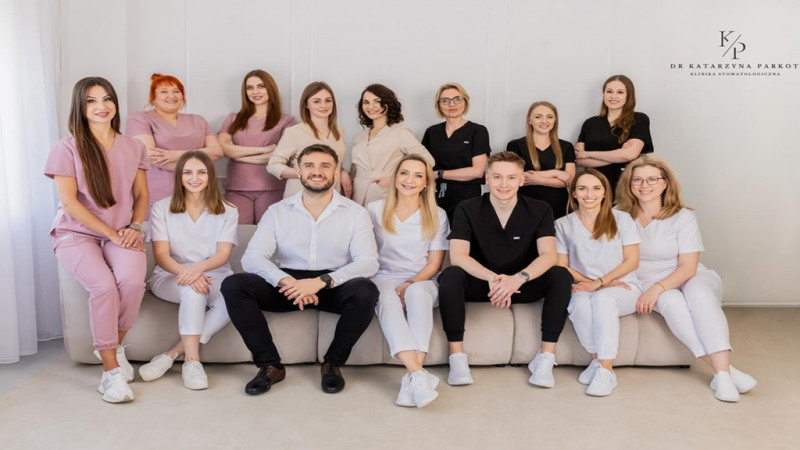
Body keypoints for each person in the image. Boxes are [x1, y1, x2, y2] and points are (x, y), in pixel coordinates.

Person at [221, 144, 379, 395]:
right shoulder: (277, 211)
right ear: (298, 171)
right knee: (234, 285)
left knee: (365, 290)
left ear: (336, 171)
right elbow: (253, 257)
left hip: (331, 285)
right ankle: (270, 365)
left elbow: (368, 261)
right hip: (287, 284)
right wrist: (288, 282)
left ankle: (332, 364)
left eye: (325, 166)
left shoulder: (355, 213)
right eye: (309, 165)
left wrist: (320, 282)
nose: (317, 171)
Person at [616, 155, 756, 402]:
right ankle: (724, 372)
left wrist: (658, 288)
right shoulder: (618, 215)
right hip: (645, 281)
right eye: (637, 180)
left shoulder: (682, 216)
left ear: (665, 183)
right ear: (629, 184)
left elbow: (688, 266)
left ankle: (723, 375)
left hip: (688, 275)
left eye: (652, 179)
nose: (644, 185)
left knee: (700, 296)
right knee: (672, 303)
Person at [45, 77, 149, 403]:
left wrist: (135, 226)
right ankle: (110, 373)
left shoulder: (133, 147)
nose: (101, 106)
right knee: (104, 287)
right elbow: (70, 202)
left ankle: (114, 347)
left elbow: (142, 195)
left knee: (132, 283)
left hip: (122, 232)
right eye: (91, 101)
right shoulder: (66, 148)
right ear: (80, 107)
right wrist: (112, 233)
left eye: (107, 99)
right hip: (75, 233)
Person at [438, 151, 572, 387]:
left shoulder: (540, 209)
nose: (504, 184)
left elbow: (549, 255)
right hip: (483, 284)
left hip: (522, 284)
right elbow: (458, 256)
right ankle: (457, 356)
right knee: (450, 275)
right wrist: (493, 278)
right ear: (487, 179)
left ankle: (546, 357)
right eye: (497, 177)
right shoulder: (467, 208)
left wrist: (518, 279)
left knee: (561, 275)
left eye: (511, 178)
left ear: (522, 180)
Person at [138, 152, 238, 390]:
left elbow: (223, 254)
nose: (195, 178)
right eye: (188, 172)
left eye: (201, 172)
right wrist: (188, 274)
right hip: (170, 275)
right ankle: (192, 362)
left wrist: (198, 269)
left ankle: (171, 354)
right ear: (179, 176)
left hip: (215, 274)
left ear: (210, 176)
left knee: (236, 298)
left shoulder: (228, 210)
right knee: (193, 291)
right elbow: (162, 256)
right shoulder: (161, 208)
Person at [367, 154, 449, 408]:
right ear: (395, 177)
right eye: (404, 173)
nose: (409, 180)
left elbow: (434, 263)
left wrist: (411, 283)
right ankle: (417, 374)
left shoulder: (437, 214)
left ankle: (414, 375)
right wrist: (395, 286)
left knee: (417, 294)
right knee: (385, 297)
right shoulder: (374, 209)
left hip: (423, 279)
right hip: (382, 276)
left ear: (426, 183)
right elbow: (365, 253)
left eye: (418, 175)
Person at [555, 169, 642, 397]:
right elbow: (561, 265)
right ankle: (598, 361)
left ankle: (605, 371)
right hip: (585, 286)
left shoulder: (622, 219)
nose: (589, 194)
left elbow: (632, 261)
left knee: (602, 299)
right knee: (578, 304)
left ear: (605, 193)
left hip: (624, 286)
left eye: (596, 188)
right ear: (574, 193)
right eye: (582, 188)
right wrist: (593, 284)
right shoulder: (563, 224)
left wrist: (602, 283)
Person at [126, 73, 223, 210]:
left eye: (176, 91)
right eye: (164, 91)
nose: (171, 96)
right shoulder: (138, 119)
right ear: (152, 97)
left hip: (197, 192)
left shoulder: (198, 120)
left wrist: (176, 155)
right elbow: (152, 156)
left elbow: (217, 152)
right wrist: (195, 170)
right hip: (157, 191)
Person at [218, 69, 297, 224]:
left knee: (268, 232)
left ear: (270, 88)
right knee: (239, 233)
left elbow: (277, 157)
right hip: (237, 188)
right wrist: (263, 150)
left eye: (261, 86)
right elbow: (223, 149)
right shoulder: (233, 119)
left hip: (271, 187)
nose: (255, 92)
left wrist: (238, 155)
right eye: (250, 88)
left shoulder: (287, 121)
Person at [350, 83, 435, 206]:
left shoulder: (400, 133)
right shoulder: (359, 137)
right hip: (358, 194)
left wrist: (394, 179)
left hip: (384, 194)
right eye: (366, 102)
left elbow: (428, 160)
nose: (370, 106)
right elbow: (354, 169)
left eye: (377, 101)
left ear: (388, 104)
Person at [421, 83, 490, 223]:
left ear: (465, 101)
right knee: (435, 232)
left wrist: (439, 174)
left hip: (467, 195)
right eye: (445, 100)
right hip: (435, 194)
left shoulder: (478, 131)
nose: (451, 104)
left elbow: (477, 171)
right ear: (439, 105)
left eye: (457, 99)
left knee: (462, 232)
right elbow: (423, 165)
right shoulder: (432, 132)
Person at [267, 81, 350, 198]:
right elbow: (273, 165)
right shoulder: (294, 132)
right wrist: (303, 173)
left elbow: (333, 160)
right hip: (300, 195)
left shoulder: (339, 131)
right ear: (306, 105)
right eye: (317, 101)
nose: (323, 105)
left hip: (331, 195)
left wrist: (342, 172)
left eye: (328, 100)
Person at [575, 74, 653, 194]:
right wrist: (618, 155)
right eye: (609, 91)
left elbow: (629, 155)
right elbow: (580, 160)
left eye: (620, 92)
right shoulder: (590, 123)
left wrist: (588, 154)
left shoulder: (639, 119)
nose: (613, 96)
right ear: (604, 94)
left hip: (625, 186)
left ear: (628, 95)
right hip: (595, 187)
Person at [506, 101, 575, 219]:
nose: (544, 121)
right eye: (538, 117)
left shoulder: (566, 146)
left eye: (550, 117)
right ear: (529, 120)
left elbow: (569, 180)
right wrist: (556, 173)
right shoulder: (515, 145)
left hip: (559, 207)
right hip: (525, 206)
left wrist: (539, 179)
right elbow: (515, 177)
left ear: (555, 120)